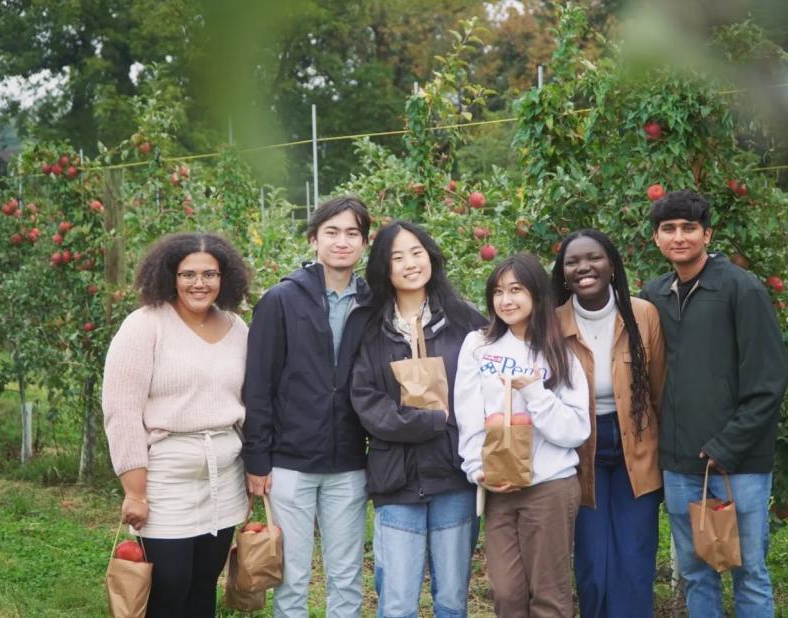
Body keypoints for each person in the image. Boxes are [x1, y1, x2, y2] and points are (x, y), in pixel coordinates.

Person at [639, 190, 788, 617]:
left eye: (689, 228)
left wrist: (728, 445)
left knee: (750, 572)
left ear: (707, 233)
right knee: (695, 572)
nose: (679, 237)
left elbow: (770, 379)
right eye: (669, 229)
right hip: (680, 464)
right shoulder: (654, 296)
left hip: (737, 465)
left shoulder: (741, 289)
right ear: (656, 238)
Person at [102, 232, 251, 618]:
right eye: (188, 274)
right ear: (170, 276)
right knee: (169, 587)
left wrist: (254, 473)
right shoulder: (145, 325)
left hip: (224, 478)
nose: (199, 283)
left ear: (225, 278)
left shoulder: (238, 329)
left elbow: (251, 403)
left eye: (209, 274)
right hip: (168, 477)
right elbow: (121, 411)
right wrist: (135, 490)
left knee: (204, 586)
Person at [242, 195, 372, 617]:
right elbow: (258, 385)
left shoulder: (372, 304)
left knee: (347, 576)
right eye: (332, 232)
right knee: (292, 578)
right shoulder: (282, 300)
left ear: (364, 243)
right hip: (290, 465)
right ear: (314, 240)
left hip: (348, 464)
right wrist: (257, 459)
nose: (342, 242)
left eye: (352, 233)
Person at [350, 220, 487, 618]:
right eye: (397, 257)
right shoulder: (371, 327)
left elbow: (483, 392)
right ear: (384, 269)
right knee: (396, 603)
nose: (410, 263)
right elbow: (366, 401)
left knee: (451, 601)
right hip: (396, 480)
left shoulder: (465, 322)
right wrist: (428, 422)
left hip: (453, 476)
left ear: (430, 257)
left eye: (417, 252)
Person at [454, 253, 591, 618]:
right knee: (506, 593)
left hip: (550, 486)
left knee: (549, 596)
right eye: (498, 292)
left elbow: (576, 430)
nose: (506, 300)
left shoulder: (560, 354)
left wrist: (535, 392)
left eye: (516, 290)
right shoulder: (478, 346)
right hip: (499, 486)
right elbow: (468, 416)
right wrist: (476, 468)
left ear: (537, 295)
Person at [551, 229, 666, 618]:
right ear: (563, 273)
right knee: (592, 564)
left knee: (634, 562)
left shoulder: (642, 314)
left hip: (637, 443)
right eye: (573, 261)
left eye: (594, 258)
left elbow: (658, 389)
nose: (584, 267)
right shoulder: (552, 323)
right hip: (582, 448)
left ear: (612, 265)